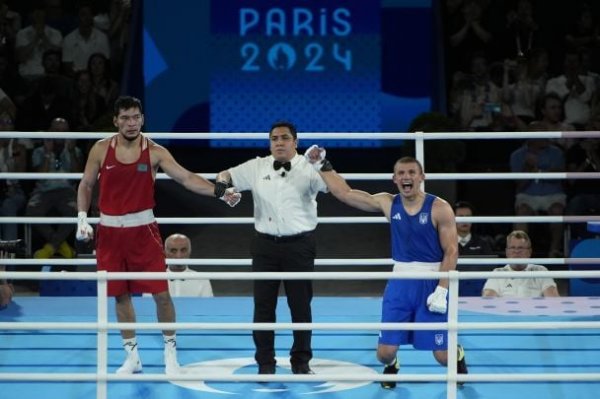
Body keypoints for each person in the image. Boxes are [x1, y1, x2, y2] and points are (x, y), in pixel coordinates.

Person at [76, 95, 240, 374]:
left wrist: (221, 192)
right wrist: (82, 217)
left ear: (143, 119)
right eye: (125, 118)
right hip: (110, 232)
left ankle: (170, 354)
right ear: (115, 120)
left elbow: (187, 178)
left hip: (144, 233)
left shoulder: (155, 152)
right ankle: (132, 357)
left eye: (136, 117)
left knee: (161, 294)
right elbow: (86, 184)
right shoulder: (101, 149)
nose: (131, 123)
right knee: (120, 296)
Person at [305, 151, 468, 389]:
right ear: (394, 179)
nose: (406, 177)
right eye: (401, 173)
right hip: (400, 283)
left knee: (442, 357)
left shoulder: (439, 208)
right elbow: (345, 193)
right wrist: (321, 164)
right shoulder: (388, 203)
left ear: (421, 176)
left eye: (411, 172)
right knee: (384, 354)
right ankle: (393, 365)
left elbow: (452, 251)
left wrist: (442, 289)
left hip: (433, 282)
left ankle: (457, 352)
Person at [215, 121, 328, 376]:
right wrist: (223, 188)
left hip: (300, 245)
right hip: (264, 245)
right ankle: (265, 364)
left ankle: (301, 362)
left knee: (300, 306)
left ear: (295, 142)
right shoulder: (257, 166)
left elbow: (333, 187)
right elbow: (224, 175)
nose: (279, 142)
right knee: (263, 307)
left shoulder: (309, 167)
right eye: (274, 138)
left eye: (285, 138)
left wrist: (322, 164)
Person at [482, 230, 560, 297]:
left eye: (521, 248)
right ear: (507, 252)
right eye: (512, 248)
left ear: (529, 252)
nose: (516, 251)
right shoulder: (498, 273)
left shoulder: (541, 271)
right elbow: (487, 299)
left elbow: (553, 299)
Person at [164, 233, 213, 297]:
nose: (179, 256)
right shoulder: (153, 279)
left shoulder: (202, 279)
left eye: (183, 250)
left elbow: (208, 306)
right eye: (173, 251)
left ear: (190, 251)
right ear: (165, 252)